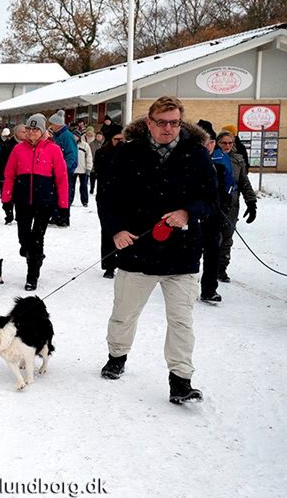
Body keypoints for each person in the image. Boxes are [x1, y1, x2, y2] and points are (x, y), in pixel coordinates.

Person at [100, 96, 217, 405]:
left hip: (182, 254)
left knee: (181, 321)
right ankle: (117, 355)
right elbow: (108, 197)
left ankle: (181, 380)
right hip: (137, 251)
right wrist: (116, 230)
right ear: (149, 122)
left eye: (174, 122)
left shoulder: (196, 155)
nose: (168, 128)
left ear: (181, 122)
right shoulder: (127, 153)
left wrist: (189, 212)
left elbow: (211, 199)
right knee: (124, 314)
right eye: (162, 122)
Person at [1, 113, 69, 291]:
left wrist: (63, 205)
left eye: (35, 129)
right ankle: (33, 253)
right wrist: (6, 199)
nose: (31, 132)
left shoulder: (53, 150)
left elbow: (62, 178)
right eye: (29, 129)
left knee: (37, 239)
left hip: (44, 202)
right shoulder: (18, 149)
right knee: (24, 238)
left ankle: (32, 275)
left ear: (43, 131)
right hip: (22, 201)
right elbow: (9, 175)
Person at [215, 131, 257, 283]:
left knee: (227, 238)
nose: (226, 146)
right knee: (214, 238)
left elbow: (244, 182)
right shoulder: (213, 157)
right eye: (223, 143)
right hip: (215, 205)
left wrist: (251, 202)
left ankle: (222, 268)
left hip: (232, 204)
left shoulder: (238, 160)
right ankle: (210, 268)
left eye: (229, 143)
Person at [198, 123, 227, 303]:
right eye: (204, 142)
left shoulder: (221, 165)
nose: (208, 146)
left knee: (212, 252)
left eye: (211, 142)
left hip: (213, 216)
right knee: (189, 253)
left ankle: (209, 289)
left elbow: (227, 188)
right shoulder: (187, 163)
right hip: (190, 216)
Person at [94, 132, 125, 278]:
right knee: (107, 230)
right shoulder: (102, 153)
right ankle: (109, 265)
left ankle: (124, 261)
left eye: (121, 139)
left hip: (124, 197)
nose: (119, 142)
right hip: (105, 196)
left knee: (124, 230)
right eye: (116, 139)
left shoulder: (129, 153)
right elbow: (101, 172)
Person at [47, 110, 78, 226]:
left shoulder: (67, 137)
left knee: (64, 194)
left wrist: (65, 169)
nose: (50, 126)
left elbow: (72, 156)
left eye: (52, 124)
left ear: (57, 124)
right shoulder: (57, 136)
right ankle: (56, 216)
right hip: (56, 171)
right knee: (55, 194)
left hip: (65, 171)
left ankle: (64, 218)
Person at [0, 125, 23, 224]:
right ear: (16, 133)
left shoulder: (28, 145)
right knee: (8, 197)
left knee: (21, 198)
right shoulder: (8, 145)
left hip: (22, 176)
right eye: (23, 132)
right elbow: (0, 160)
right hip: (8, 175)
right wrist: (1, 174)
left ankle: (20, 215)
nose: (25, 134)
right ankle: (9, 213)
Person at [74, 131, 94, 208]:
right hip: (73, 169)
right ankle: (70, 200)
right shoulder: (70, 144)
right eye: (73, 136)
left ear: (79, 137)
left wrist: (88, 168)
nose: (75, 137)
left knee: (84, 187)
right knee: (71, 187)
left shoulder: (85, 145)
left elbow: (89, 157)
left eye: (76, 136)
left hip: (83, 170)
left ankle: (85, 201)